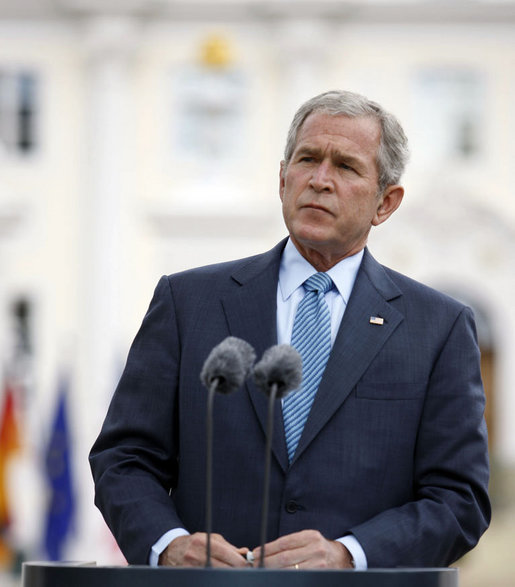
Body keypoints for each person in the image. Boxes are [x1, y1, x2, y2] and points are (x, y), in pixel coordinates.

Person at [89, 90, 490, 570]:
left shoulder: (439, 327)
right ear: (282, 179)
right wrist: (169, 543)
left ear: (386, 202)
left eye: (345, 167)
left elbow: (459, 499)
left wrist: (349, 555)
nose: (320, 180)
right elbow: (125, 457)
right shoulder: (187, 302)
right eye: (307, 159)